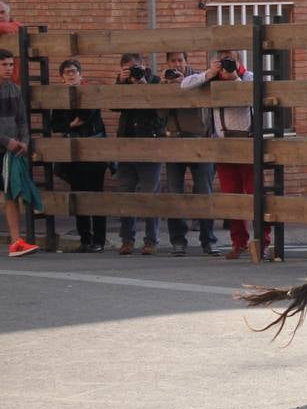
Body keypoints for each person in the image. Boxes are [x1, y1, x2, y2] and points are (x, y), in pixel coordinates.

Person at [182, 50, 268, 260]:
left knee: (255, 195)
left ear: (239, 62)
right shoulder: (213, 79)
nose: (227, 65)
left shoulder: (249, 77)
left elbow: (257, 93)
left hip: (248, 145)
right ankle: (238, 243)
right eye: (224, 62)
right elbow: (184, 85)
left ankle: (262, 242)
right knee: (232, 198)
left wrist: (235, 77)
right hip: (223, 146)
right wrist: (209, 73)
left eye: (231, 61)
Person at [160, 51, 217, 256]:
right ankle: (178, 241)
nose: (177, 64)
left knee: (204, 193)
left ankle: (208, 240)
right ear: (168, 63)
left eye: (180, 60)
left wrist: (185, 84)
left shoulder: (199, 79)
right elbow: (159, 114)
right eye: (173, 61)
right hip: (174, 140)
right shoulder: (164, 82)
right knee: (175, 193)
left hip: (199, 141)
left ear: (186, 61)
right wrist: (166, 90)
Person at [49, 58, 108, 253]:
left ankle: (99, 240)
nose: (71, 74)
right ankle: (85, 239)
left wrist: (72, 121)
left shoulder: (89, 92)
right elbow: (55, 124)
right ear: (61, 77)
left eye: (74, 71)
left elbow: (85, 115)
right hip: (72, 155)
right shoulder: (59, 98)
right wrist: (69, 125)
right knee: (78, 197)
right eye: (67, 72)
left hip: (94, 152)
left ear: (81, 74)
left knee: (96, 197)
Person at [113, 52, 164, 255]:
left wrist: (142, 84)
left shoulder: (155, 81)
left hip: (149, 144)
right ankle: (127, 240)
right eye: (128, 68)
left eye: (136, 67)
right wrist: (120, 82)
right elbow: (113, 105)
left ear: (144, 66)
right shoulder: (122, 84)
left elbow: (159, 108)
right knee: (125, 193)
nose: (133, 71)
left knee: (150, 194)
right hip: (126, 145)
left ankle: (151, 240)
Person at [0, 48, 38, 257]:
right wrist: (8, 141)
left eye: (10, 64)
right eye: (4, 64)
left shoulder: (14, 90)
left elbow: (22, 119)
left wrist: (24, 141)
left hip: (10, 153)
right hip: (7, 146)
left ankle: (16, 242)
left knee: (11, 194)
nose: (8, 68)